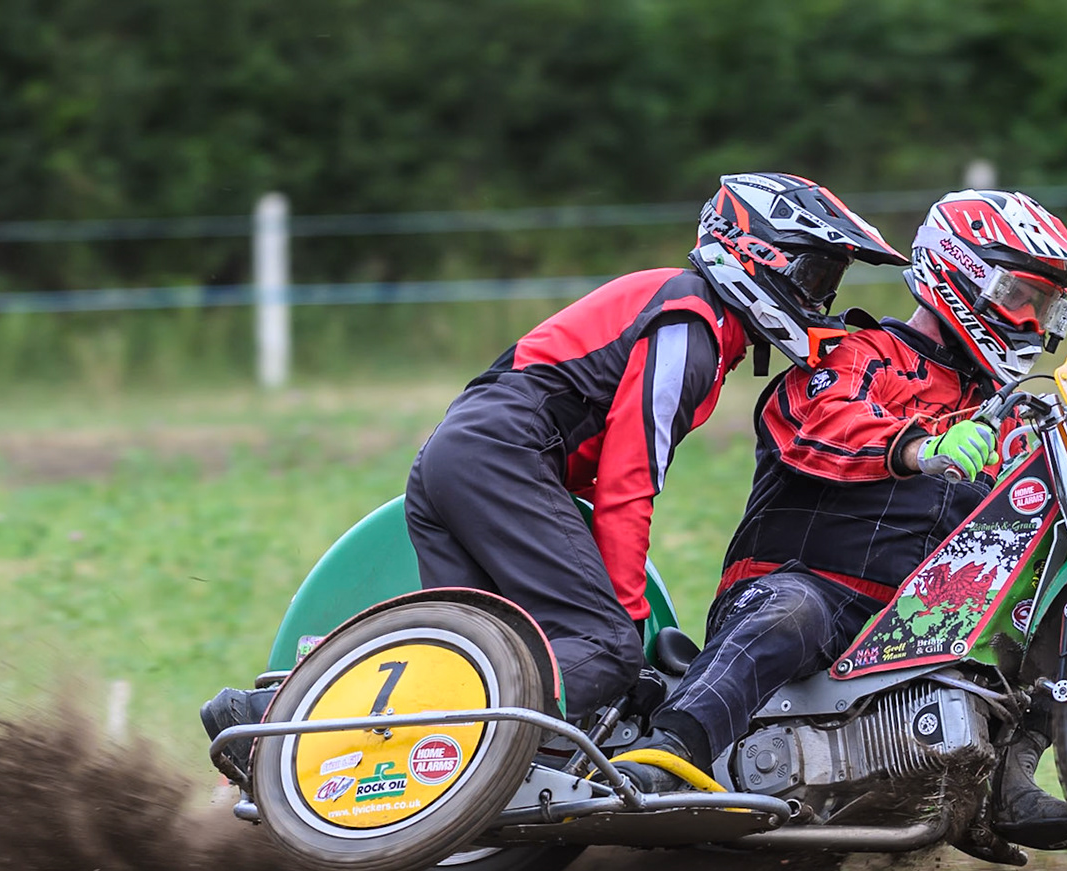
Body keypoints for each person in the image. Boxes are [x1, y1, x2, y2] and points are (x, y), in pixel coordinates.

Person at [201, 173, 906, 749]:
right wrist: (626, 622)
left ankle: (268, 714)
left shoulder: (697, 326)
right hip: (499, 456)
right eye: (815, 274)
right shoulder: (691, 326)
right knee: (600, 649)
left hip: (466, 457)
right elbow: (631, 483)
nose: (822, 300)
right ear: (756, 252)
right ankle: (298, 723)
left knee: (475, 653)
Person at [620, 189, 1067, 850]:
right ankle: (664, 753)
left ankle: (1007, 778)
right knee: (795, 608)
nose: (1032, 321)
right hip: (799, 588)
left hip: (907, 628)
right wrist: (918, 447)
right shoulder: (859, 353)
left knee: (1062, 607)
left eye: (1048, 306)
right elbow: (815, 422)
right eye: (1023, 297)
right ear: (966, 274)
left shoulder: (995, 412)